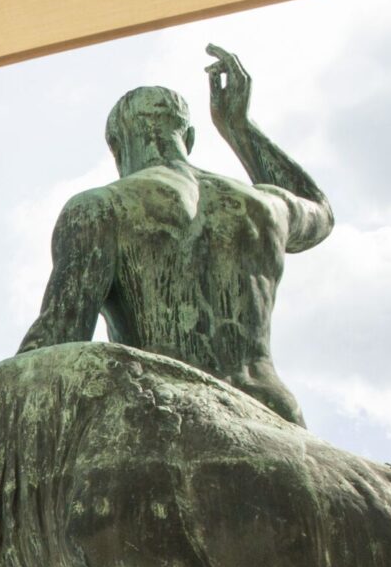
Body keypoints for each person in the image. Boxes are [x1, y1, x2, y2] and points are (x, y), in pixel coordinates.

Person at [17, 46, 332, 425]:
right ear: (190, 138)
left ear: (116, 147)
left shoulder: (100, 208)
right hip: (274, 412)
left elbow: (58, 342)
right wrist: (239, 127)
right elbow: (321, 212)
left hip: (165, 413)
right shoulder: (266, 205)